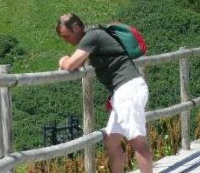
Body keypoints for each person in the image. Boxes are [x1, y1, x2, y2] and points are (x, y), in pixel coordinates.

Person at [55, 13, 153, 173]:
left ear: (76, 28)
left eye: (67, 36)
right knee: (111, 141)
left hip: (127, 90)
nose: (67, 41)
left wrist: (63, 60)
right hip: (125, 90)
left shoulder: (92, 37)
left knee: (137, 142)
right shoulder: (94, 37)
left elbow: (71, 64)